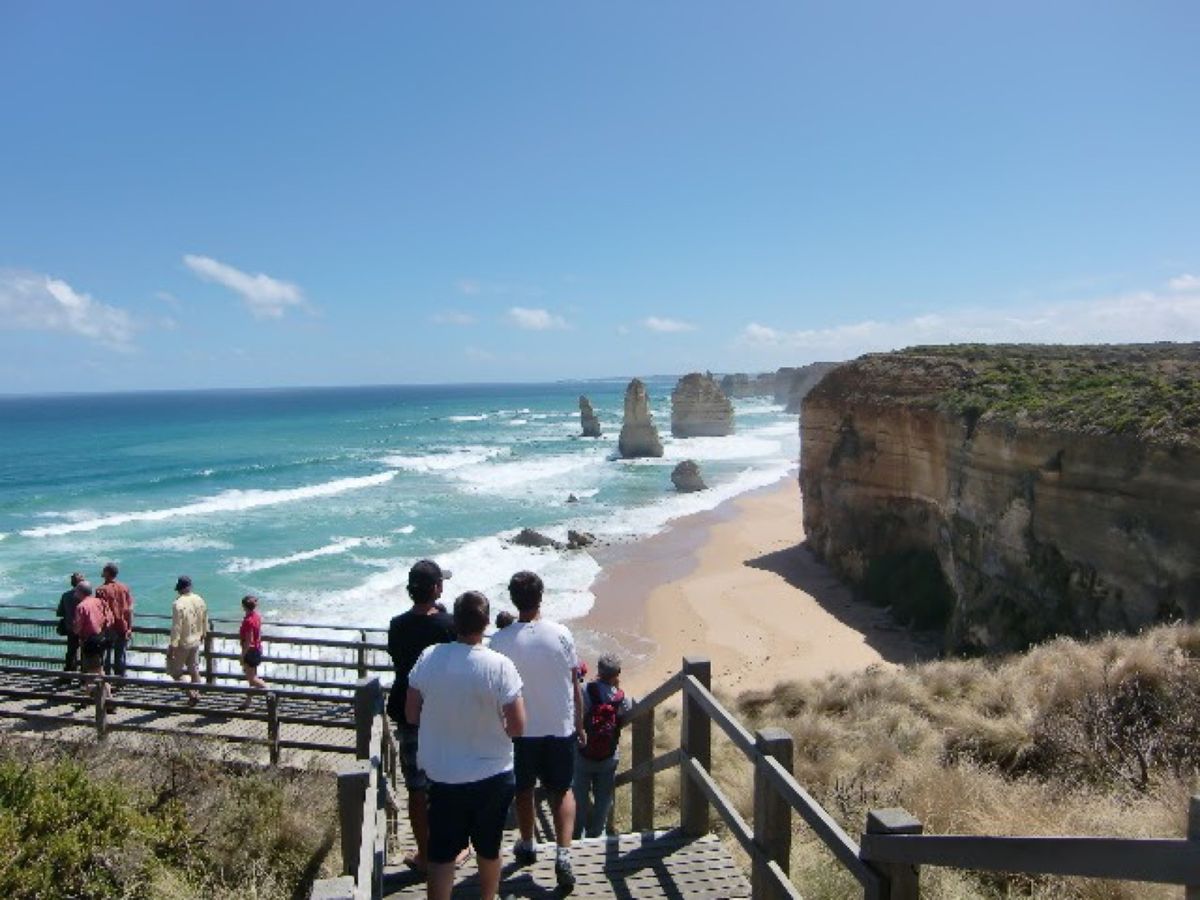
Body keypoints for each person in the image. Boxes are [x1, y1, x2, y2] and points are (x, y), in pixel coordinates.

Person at [406, 591, 524, 900]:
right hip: (493, 773)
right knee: (489, 849)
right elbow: (517, 726)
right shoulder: (500, 665)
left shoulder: (430, 657)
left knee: (441, 855)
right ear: (486, 623)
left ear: (455, 621)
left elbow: (411, 714)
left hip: (443, 774)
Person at [490, 570, 583, 889]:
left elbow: (496, 691)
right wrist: (579, 723)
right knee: (562, 790)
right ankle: (563, 853)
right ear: (541, 596)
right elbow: (574, 684)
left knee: (524, 789)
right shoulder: (561, 634)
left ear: (513, 599)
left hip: (520, 729)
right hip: (560, 725)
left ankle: (528, 843)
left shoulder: (499, 640)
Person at [386, 559, 456, 873]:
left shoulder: (397, 625)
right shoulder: (448, 625)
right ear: (437, 588)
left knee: (416, 786)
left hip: (409, 714)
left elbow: (398, 658)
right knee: (447, 784)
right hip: (444, 712)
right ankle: (451, 849)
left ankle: (426, 855)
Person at [572, 653, 635, 838]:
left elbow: (574, 713)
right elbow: (628, 712)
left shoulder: (584, 690)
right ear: (617, 673)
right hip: (608, 756)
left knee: (579, 797)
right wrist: (617, 689)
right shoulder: (620, 698)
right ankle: (597, 835)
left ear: (598, 670)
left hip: (583, 752)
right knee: (604, 799)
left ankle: (577, 835)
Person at [72, 580, 114, 711]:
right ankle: (86, 700)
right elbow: (110, 619)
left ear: (81, 592)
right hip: (101, 638)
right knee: (95, 671)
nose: (75, 593)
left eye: (76, 590)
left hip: (90, 642)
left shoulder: (81, 606)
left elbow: (77, 628)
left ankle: (110, 702)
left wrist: (75, 630)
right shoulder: (99, 602)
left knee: (96, 673)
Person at [167, 576, 207, 705]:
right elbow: (205, 619)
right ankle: (197, 693)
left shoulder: (178, 603)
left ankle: (191, 694)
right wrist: (203, 634)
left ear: (180, 589)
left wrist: (173, 645)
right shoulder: (199, 599)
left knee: (174, 671)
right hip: (196, 639)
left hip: (183, 642)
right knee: (194, 669)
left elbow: (176, 627)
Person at [96, 562, 134, 678]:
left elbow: (100, 611)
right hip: (123, 626)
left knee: (105, 656)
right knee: (120, 656)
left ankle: (106, 681)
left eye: (104, 570)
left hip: (108, 627)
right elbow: (130, 609)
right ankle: (120, 680)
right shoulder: (124, 588)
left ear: (107, 573)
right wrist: (130, 627)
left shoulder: (101, 590)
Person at [238, 594, 267, 706]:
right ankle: (248, 701)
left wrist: (242, 655)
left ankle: (270, 692)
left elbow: (248, 641)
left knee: (252, 678)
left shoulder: (248, 620)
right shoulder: (257, 617)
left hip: (250, 651)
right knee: (252, 677)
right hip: (257, 649)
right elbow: (258, 634)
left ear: (244, 606)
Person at [55, 571, 85, 674]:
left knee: (71, 652)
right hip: (84, 628)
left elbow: (60, 612)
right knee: (85, 652)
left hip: (70, 627)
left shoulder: (66, 595)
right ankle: (83, 676)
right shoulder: (85, 597)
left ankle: (68, 675)